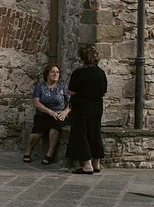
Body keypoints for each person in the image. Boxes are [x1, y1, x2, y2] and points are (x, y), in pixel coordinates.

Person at [65, 44, 108, 174]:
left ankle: (87, 165)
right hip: (97, 106)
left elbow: (71, 91)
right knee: (95, 132)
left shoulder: (79, 73)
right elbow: (103, 91)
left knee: (81, 133)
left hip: (81, 106)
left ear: (83, 58)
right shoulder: (101, 73)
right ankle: (96, 163)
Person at [23, 63, 70, 165]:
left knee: (55, 126)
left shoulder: (63, 86)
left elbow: (71, 102)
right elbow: (36, 102)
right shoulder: (40, 86)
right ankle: (28, 151)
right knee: (37, 131)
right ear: (47, 74)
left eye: (57, 72)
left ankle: (50, 153)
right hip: (44, 114)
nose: (55, 74)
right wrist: (49, 111)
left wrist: (65, 112)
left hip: (58, 114)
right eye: (52, 72)